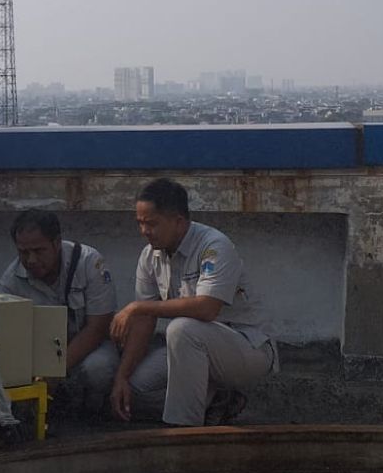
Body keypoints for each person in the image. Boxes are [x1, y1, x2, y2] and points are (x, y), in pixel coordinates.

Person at [109, 178, 274, 426]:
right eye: (140, 223)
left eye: (152, 223)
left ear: (178, 221)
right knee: (133, 392)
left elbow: (207, 309)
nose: (144, 231)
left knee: (182, 328)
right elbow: (144, 323)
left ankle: (181, 430)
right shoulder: (149, 255)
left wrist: (137, 307)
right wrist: (121, 378)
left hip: (246, 348)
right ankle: (217, 401)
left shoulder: (214, 245)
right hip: (191, 349)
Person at [0, 209, 118, 415]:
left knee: (98, 369)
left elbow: (99, 327)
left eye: (39, 250)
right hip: (42, 351)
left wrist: (57, 369)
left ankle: (96, 413)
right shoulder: (11, 282)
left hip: (90, 344)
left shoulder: (89, 262)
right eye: (24, 252)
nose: (31, 260)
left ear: (56, 243)